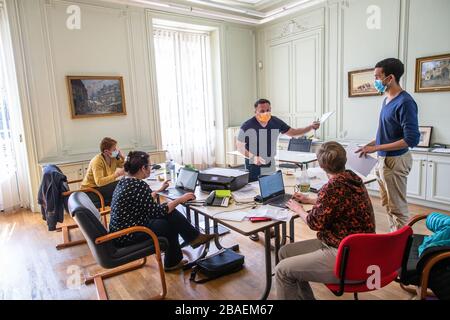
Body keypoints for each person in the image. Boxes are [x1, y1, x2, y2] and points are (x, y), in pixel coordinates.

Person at [275, 142, 375, 300]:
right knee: (284, 252)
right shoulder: (353, 178)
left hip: (344, 253)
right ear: (344, 159)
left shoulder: (331, 188)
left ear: (321, 166)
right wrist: (309, 199)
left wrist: (298, 209)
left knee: (282, 270)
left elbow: (314, 223)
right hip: (359, 247)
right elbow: (340, 203)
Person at [109, 151, 216, 271]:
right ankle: (184, 249)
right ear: (143, 168)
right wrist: (180, 199)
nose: (150, 168)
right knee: (168, 221)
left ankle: (191, 240)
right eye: (149, 166)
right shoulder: (138, 185)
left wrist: (160, 190)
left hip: (123, 231)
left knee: (169, 214)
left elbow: (143, 203)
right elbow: (157, 212)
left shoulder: (125, 181)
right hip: (129, 235)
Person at [237, 98, 320, 241]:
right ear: (255, 111)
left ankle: (268, 228)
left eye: (268, 110)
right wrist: (253, 156)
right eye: (262, 111)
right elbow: (239, 146)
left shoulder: (275, 122)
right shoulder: (247, 125)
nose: (265, 113)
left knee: (271, 196)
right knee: (256, 198)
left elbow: (293, 132)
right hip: (253, 164)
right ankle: (255, 229)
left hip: (270, 163)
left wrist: (310, 127)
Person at [356, 58, 420, 231]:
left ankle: (401, 248)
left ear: (390, 78)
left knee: (398, 209)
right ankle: (394, 239)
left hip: (396, 161)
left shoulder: (405, 102)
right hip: (383, 160)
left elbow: (411, 139)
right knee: (388, 205)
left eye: (377, 77)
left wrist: (375, 148)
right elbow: (386, 133)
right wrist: (368, 146)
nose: (375, 81)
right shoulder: (386, 100)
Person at [81, 137, 125, 208]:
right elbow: (99, 182)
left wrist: (122, 157)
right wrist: (117, 174)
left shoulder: (114, 158)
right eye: (114, 149)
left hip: (103, 188)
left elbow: (125, 166)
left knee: (121, 192)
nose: (117, 151)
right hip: (91, 190)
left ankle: (119, 212)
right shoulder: (97, 161)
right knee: (120, 184)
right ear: (106, 152)